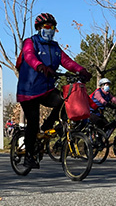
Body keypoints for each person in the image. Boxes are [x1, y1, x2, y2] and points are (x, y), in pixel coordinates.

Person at [16, 12, 91, 168]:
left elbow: (67, 62)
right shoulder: (30, 42)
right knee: (33, 123)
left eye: (53, 28)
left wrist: (81, 70)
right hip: (28, 92)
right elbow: (29, 56)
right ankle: (28, 157)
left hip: (46, 90)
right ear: (39, 28)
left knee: (65, 101)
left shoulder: (55, 47)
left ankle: (47, 126)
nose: (50, 30)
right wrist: (40, 66)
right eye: (47, 26)